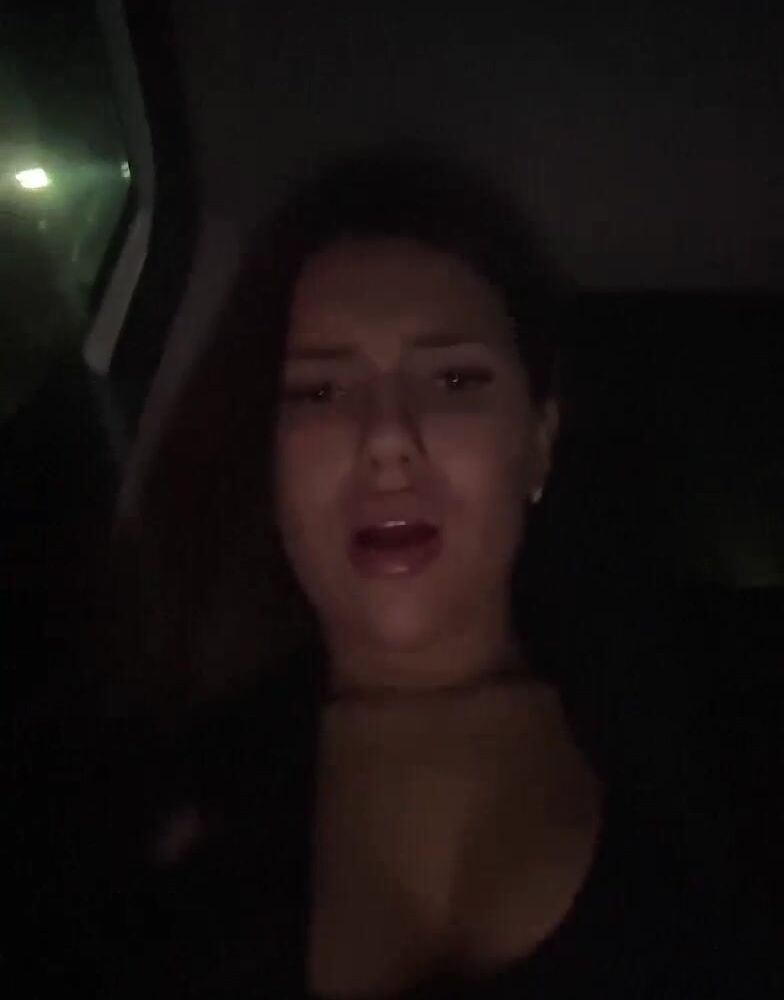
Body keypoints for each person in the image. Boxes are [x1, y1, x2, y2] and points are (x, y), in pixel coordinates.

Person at [14, 146, 763, 999]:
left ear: (539, 441)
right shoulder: (120, 809)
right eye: (320, 392)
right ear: (269, 456)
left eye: (453, 379)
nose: (386, 439)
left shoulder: (723, 741)